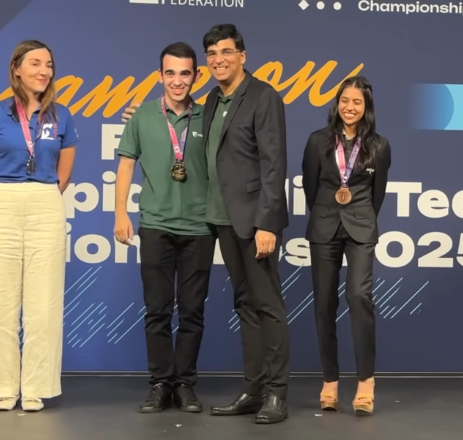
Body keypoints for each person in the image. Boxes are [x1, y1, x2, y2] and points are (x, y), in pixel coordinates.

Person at [0, 40, 78, 412]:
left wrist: (38, 195)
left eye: (48, 64)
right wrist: (7, 195)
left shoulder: (62, 115)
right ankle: (1, 386)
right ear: (16, 68)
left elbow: (64, 173)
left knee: (44, 302)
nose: (43, 70)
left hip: (45, 203)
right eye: (35, 63)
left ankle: (36, 387)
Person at [114, 42, 215, 414]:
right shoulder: (142, 115)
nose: (177, 80)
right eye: (170, 73)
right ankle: (160, 383)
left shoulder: (209, 116)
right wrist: (120, 214)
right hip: (155, 225)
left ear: (196, 76)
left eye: (185, 73)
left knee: (192, 311)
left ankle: (184, 384)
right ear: (160, 76)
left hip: (200, 228)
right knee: (157, 309)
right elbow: (126, 165)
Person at [202, 23, 290, 425]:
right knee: (245, 305)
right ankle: (253, 390)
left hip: (255, 222)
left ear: (242, 56)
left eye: (225, 51)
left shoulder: (263, 96)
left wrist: (267, 223)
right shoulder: (211, 99)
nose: (218, 59)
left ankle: (277, 394)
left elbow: (274, 163)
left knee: (267, 306)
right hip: (223, 220)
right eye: (212, 54)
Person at [301, 76, 391, 416]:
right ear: (336, 103)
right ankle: (330, 381)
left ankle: (366, 381)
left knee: (358, 296)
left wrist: (360, 217)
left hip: (361, 228)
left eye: (357, 102)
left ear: (367, 108)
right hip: (323, 226)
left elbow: (377, 195)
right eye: (344, 100)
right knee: (324, 304)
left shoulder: (379, 146)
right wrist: (327, 213)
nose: (349, 107)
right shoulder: (317, 141)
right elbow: (310, 188)